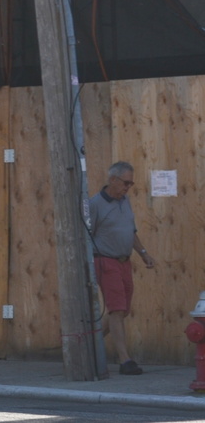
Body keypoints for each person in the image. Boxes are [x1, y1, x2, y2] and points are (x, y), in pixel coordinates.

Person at [90, 160, 155, 376]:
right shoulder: (95, 204)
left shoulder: (124, 201)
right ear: (113, 180)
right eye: (126, 183)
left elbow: (130, 232)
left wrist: (144, 254)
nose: (128, 187)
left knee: (123, 310)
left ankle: (89, 343)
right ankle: (124, 360)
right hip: (105, 260)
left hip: (124, 261)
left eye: (131, 184)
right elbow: (85, 235)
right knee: (116, 310)